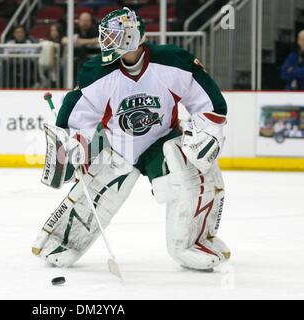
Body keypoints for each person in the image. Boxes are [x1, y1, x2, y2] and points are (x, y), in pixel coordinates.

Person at [32, 8, 230, 272]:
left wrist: (206, 131)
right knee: (96, 192)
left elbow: (205, 99)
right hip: (118, 144)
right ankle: (63, 240)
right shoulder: (98, 73)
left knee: (193, 177)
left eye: (113, 36)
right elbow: (80, 114)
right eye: (106, 37)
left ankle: (193, 242)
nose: (106, 43)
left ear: (132, 36)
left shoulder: (172, 61)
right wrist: (74, 143)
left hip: (161, 140)